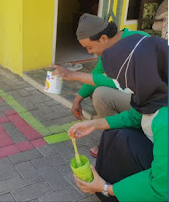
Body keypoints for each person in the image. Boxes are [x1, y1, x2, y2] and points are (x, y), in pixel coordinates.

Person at [69, 34, 167, 201]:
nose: (118, 85)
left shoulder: (165, 121)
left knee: (122, 140)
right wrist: (94, 124)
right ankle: (105, 188)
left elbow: (161, 188)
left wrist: (107, 188)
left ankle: (107, 190)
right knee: (112, 134)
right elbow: (136, 117)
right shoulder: (156, 90)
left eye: (120, 81)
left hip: (162, 188)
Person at [51, 13, 149, 157]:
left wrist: (74, 75)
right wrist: (78, 99)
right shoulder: (109, 49)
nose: (90, 52)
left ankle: (117, 142)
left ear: (103, 38)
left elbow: (124, 82)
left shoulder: (137, 41)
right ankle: (113, 139)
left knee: (101, 93)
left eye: (89, 47)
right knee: (99, 92)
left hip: (155, 102)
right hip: (137, 99)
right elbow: (98, 73)